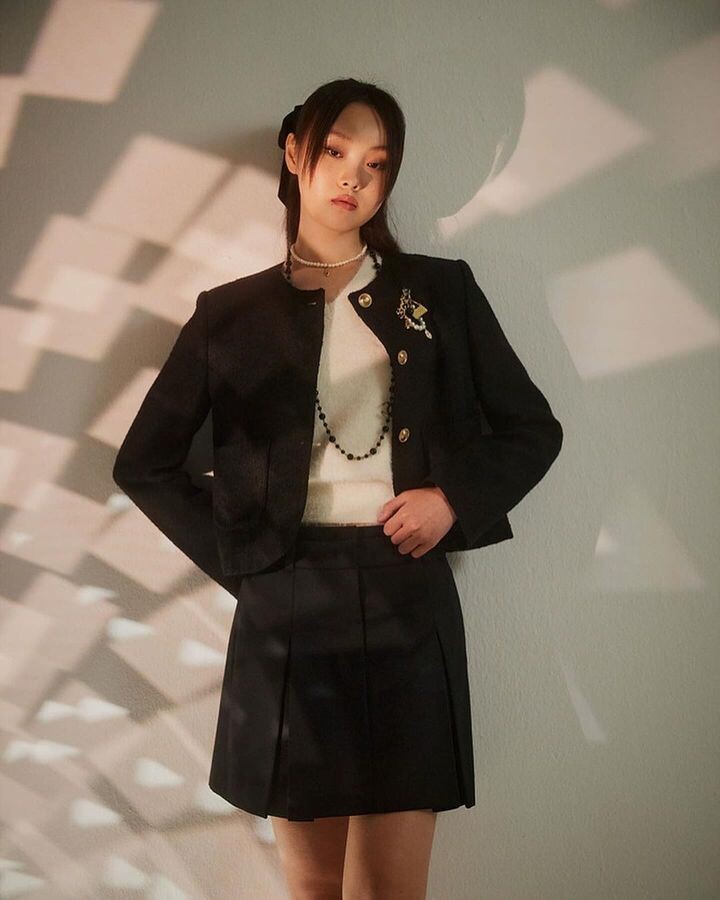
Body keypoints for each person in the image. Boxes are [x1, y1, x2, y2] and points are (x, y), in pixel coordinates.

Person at [113, 77, 563, 899]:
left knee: (392, 891)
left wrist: (451, 499)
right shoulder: (229, 316)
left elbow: (532, 429)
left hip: (408, 594)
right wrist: (249, 557)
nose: (355, 175)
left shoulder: (439, 292)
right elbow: (144, 463)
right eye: (335, 151)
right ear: (295, 154)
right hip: (286, 604)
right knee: (315, 890)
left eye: (377, 163)